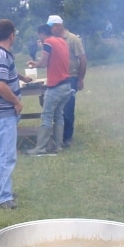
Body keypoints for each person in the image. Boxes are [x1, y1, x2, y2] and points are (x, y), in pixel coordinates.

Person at [0, 19, 32, 209]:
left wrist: (21, 77)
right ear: (12, 35)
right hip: (3, 112)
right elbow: (0, 85)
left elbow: (3, 73)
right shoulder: (2, 56)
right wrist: (16, 102)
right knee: (6, 155)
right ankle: (4, 197)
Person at [26, 23, 72, 155]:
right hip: (67, 85)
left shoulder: (48, 43)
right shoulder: (62, 41)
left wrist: (34, 63)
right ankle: (58, 146)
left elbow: (43, 63)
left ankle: (40, 148)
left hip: (56, 86)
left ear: (41, 34)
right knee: (59, 116)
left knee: (46, 116)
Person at [47, 15, 87, 149]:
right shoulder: (52, 41)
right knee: (56, 109)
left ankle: (67, 137)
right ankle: (57, 137)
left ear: (58, 26)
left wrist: (80, 79)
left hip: (71, 78)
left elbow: (82, 59)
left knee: (68, 109)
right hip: (56, 79)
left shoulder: (73, 39)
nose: (50, 29)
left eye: (51, 26)